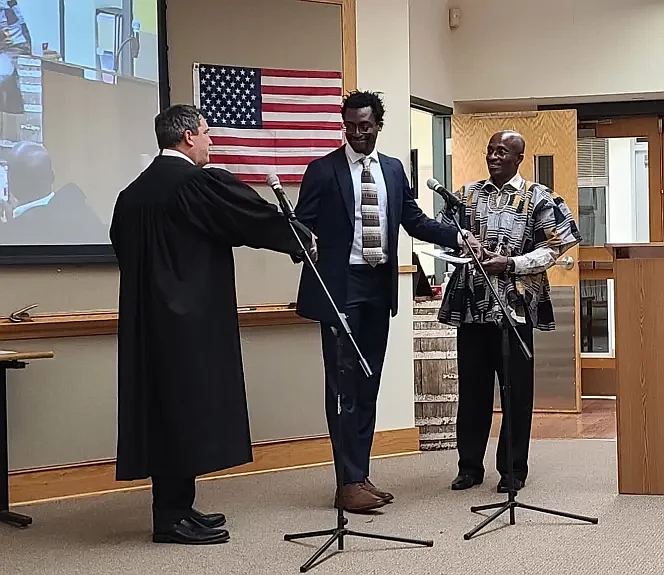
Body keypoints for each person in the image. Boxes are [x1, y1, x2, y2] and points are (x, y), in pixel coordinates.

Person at [109, 104, 313, 545]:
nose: (210, 141)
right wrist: (297, 237)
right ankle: (170, 519)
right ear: (186, 138)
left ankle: (177, 508)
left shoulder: (132, 194)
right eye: (206, 133)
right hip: (189, 324)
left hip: (148, 324)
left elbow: (122, 250)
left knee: (166, 414)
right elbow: (246, 219)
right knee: (185, 413)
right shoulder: (192, 184)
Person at [294, 90, 481, 513]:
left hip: (378, 289)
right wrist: (300, 240)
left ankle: (359, 475)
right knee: (343, 389)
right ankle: (347, 483)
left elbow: (412, 220)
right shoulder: (323, 171)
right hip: (339, 289)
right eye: (350, 126)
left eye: (365, 125)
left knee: (368, 384)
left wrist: (456, 236)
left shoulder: (393, 171)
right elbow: (300, 228)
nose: (358, 133)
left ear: (378, 125)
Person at [438, 130, 581, 493]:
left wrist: (512, 263)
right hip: (473, 304)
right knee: (472, 390)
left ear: (520, 157)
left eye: (503, 151)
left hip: (514, 306)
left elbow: (557, 246)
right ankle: (469, 466)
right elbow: (445, 233)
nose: (494, 156)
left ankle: (513, 469)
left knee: (515, 392)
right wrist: (460, 250)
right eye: (490, 150)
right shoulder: (467, 195)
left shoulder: (539, 197)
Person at [0, 141, 108, 245]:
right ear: (52, 176)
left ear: (11, 181)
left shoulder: (14, 233)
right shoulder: (83, 212)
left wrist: (9, 226)